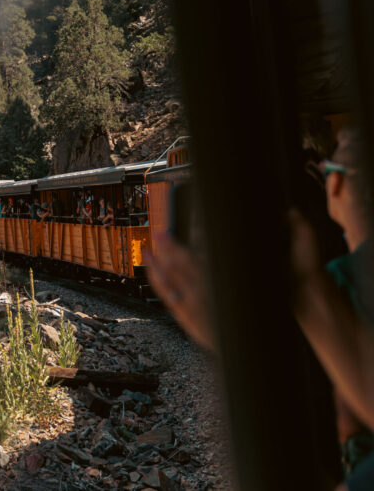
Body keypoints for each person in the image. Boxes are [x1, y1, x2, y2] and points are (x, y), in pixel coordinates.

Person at [147, 128, 374, 489]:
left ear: (336, 186)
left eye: (329, 165)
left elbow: (337, 419)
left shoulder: (344, 279)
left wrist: (236, 344)